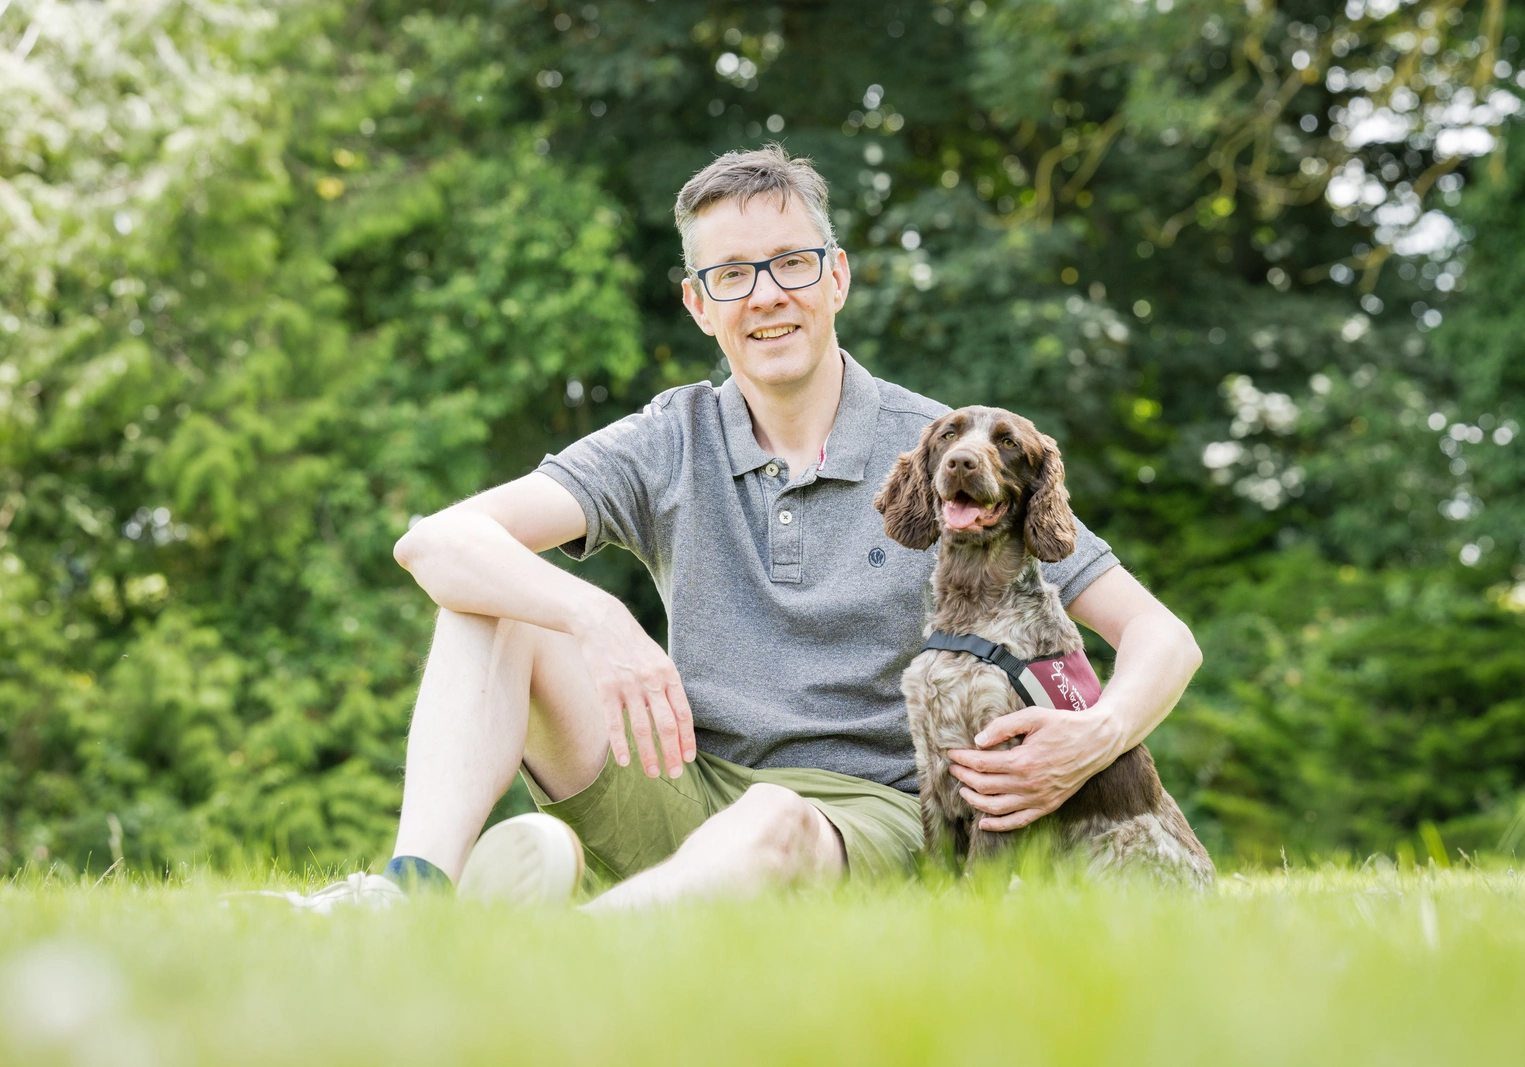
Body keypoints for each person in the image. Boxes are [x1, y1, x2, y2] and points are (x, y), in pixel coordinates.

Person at [301, 144, 1202, 911]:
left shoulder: (941, 451)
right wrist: (597, 618)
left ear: (836, 276)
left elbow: (1163, 636)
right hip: (684, 777)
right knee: (490, 596)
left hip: (862, 818)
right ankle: (410, 896)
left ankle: (567, 944)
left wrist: (1101, 729)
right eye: (733, 274)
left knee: (772, 821)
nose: (767, 294)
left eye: (791, 263)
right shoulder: (671, 433)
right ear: (700, 304)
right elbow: (433, 541)